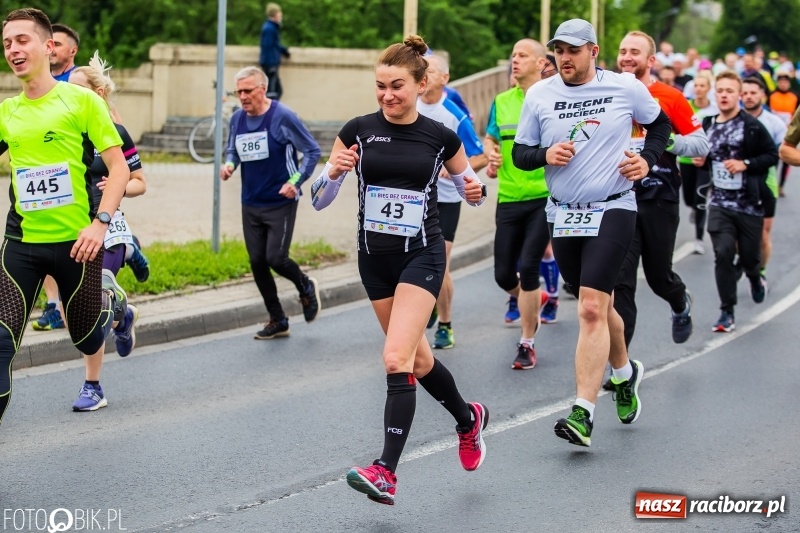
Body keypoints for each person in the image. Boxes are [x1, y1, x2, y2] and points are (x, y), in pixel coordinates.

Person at [310, 35, 489, 505]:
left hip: (421, 255)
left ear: (421, 84)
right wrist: (333, 172)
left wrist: (474, 192)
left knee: (396, 360)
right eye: (380, 86)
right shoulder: (357, 130)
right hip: (375, 259)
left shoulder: (440, 136)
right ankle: (468, 420)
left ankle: (385, 470)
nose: (387, 95)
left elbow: (469, 184)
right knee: (420, 360)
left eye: (397, 86)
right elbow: (320, 200)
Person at [512, 19, 671, 447]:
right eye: (559, 50)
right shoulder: (539, 94)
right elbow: (520, 153)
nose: (565, 57)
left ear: (593, 51)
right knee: (600, 306)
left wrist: (647, 161)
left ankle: (582, 412)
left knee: (588, 308)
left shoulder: (625, 87)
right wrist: (545, 153)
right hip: (563, 213)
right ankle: (624, 373)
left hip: (614, 206)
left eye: (573, 50)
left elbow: (660, 126)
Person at [0, 8, 131, 420]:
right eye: (6, 43)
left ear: (47, 46)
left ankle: (114, 303)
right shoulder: (7, 111)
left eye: (22, 40)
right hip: (21, 243)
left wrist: (100, 224)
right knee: (1, 343)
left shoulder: (80, 101)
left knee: (86, 335)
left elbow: (120, 167)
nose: (13, 49)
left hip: (78, 243)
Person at [614, 30, 708, 352]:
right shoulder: (606, 93)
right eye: (623, 50)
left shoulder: (670, 96)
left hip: (659, 196)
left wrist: (666, 141)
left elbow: (700, 142)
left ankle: (679, 300)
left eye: (635, 52)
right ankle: (620, 365)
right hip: (619, 197)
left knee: (657, 276)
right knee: (621, 282)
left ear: (651, 60)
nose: (627, 57)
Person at [65, 51, 148, 409]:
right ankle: (123, 316)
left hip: (106, 224)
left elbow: (140, 182)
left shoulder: (115, 132)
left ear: (97, 94)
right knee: (77, 311)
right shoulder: (60, 129)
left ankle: (92, 386)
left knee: (95, 297)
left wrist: (116, 186)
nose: (68, 98)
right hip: (67, 226)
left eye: (77, 91)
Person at [220, 66, 321, 339]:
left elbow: (312, 151)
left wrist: (296, 181)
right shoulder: (237, 119)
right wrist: (229, 165)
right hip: (250, 201)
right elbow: (233, 149)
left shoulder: (283, 116)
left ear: (262, 89)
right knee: (257, 261)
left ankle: (305, 286)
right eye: (238, 91)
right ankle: (278, 319)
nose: (242, 96)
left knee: (276, 257)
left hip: (280, 200)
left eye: (247, 91)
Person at [484, 38, 555, 370]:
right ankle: (533, 298)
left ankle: (526, 342)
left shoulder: (556, 99)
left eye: (522, 55)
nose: (514, 60)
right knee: (502, 275)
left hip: (544, 196)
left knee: (528, 267)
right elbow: (491, 136)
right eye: (513, 55)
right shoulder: (501, 100)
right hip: (509, 197)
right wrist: (491, 154)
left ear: (541, 63)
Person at [693, 71, 778, 332]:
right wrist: (702, 161)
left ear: (738, 96)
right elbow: (701, 155)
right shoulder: (707, 124)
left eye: (730, 91)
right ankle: (726, 311)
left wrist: (745, 164)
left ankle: (754, 277)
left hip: (750, 204)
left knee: (751, 257)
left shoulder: (751, 126)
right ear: (714, 94)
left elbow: (771, 155)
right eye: (720, 91)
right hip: (719, 203)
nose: (724, 95)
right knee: (723, 253)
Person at [416, 54, 488, 349]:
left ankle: (444, 324)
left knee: (439, 265)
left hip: (444, 201)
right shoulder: (408, 106)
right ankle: (424, 304)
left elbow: (480, 156)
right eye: (421, 70)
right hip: (411, 199)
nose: (425, 75)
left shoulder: (454, 115)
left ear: (445, 78)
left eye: (431, 71)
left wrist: (455, 168)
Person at [741, 76, 786, 283]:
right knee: (734, 235)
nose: (749, 97)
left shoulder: (774, 122)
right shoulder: (732, 119)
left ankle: (761, 272)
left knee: (763, 235)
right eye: (745, 93)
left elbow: (782, 152)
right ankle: (744, 258)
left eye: (753, 93)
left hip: (766, 183)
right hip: (735, 185)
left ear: (763, 95)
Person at [678, 70, 718, 254]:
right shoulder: (685, 106)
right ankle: (694, 207)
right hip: (686, 158)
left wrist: (707, 154)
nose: (698, 89)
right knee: (688, 198)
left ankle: (699, 239)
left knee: (700, 197)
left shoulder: (714, 110)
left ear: (708, 89)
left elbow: (716, 134)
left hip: (704, 160)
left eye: (702, 86)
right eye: (696, 86)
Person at [769, 72, 799, 197]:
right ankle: (774, 184)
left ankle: (781, 185)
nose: (783, 84)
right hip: (774, 133)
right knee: (774, 161)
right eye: (781, 81)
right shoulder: (772, 96)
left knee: (785, 165)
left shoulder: (795, 96)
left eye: (785, 82)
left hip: (788, 130)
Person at [259, 3, 290, 100]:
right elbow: (267, 46)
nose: (281, 15)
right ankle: (270, 114)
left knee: (274, 92)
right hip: (270, 64)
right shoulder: (269, 28)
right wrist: (271, 66)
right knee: (273, 93)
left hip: (271, 63)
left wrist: (283, 50)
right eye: (279, 12)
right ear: (275, 14)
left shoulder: (271, 27)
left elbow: (274, 45)